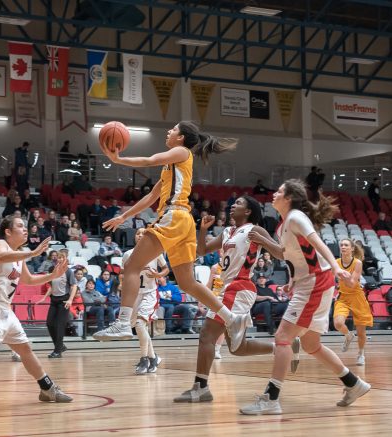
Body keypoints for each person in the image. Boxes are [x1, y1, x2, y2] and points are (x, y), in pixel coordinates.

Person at [92, 121, 251, 346]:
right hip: (183, 221)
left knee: (131, 266)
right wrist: (123, 217)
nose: (169, 131)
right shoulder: (172, 166)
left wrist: (119, 160)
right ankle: (232, 318)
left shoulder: (181, 152)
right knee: (187, 284)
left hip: (173, 216)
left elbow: (149, 160)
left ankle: (123, 323)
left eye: (173, 129)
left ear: (181, 137)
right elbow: (151, 197)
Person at [241, 179, 369, 415]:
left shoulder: (296, 217)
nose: (274, 194)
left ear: (288, 198)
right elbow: (285, 254)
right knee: (311, 344)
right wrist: (290, 278)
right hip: (307, 283)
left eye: (279, 191)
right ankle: (353, 383)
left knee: (282, 337)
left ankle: (271, 398)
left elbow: (317, 242)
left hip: (316, 283)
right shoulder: (283, 226)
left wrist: (335, 266)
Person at [176, 196, 294, 403]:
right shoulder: (227, 232)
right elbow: (201, 251)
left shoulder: (254, 230)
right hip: (228, 287)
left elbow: (281, 254)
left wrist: (264, 242)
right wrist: (203, 230)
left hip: (239, 286)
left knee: (207, 335)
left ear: (248, 211)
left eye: (239, 203)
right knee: (237, 348)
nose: (233, 205)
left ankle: (200, 387)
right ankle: (284, 348)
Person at [0, 216, 72, 411]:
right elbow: (0, 256)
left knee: (24, 349)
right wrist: (32, 253)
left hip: (4, 307)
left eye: (25, 227)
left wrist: (52, 276)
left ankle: (47, 388)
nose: (25, 229)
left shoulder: (18, 255)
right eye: (20, 226)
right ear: (8, 231)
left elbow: (29, 280)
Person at [124, 228, 168, 374]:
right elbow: (125, 275)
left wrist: (158, 274)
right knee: (138, 327)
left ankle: (145, 359)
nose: (141, 235)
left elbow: (166, 269)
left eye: (144, 233)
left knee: (139, 324)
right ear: (134, 237)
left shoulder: (155, 252)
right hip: (135, 294)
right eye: (138, 233)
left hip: (150, 293)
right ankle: (153, 357)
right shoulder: (127, 255)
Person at [332, 238, 373, 367]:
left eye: (346, 245)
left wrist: (342, 275)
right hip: (343, 297)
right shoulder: (336, 262)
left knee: (361, 332)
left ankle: (361, 354)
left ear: (352, 248)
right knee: (338, 323)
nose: (343, 247)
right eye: (341, 245)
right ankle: (348, 335)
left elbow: (351, 284)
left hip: (357, 297)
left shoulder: (357, 263)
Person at [37, 264, 77, 358]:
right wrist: (44, 298)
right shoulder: (52, 270)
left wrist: (70, 300)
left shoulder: (68, 272)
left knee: (60, 325)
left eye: (62, 257)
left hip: (64, 300)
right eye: (58, 257)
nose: (60, 260)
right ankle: (60, 346)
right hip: (54, 300)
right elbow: (51, 287)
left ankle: (57, 351)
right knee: (49, 323)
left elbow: (74, 286)